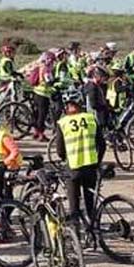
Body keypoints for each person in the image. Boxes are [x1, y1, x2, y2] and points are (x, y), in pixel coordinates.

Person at [56, 88, 104, 231]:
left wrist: (65, 158)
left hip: (74, 168)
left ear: (66, 106)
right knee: (90, 201)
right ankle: (93, 230)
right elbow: (101, 144)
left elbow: (60, 151)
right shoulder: (91, 118)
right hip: (91, 166)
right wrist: (97, 161)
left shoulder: (63, 123)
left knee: (74, 205)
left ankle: (76, 234)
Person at [29, 50, 58, 141]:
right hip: (43, 94)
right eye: (52, 60)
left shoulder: (40, 66)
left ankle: (36, 132)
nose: (53, 62)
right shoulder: (46, 68)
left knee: (37, 114)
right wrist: (55, 80)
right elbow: (48, 81)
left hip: (36, 92)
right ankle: (41, 134)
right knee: (42, 115)